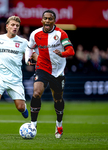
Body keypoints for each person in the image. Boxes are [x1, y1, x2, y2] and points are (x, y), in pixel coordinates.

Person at [25, 10, 75, 138]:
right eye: (45, 18)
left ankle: (59, 124)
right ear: (42, 20)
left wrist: (62, 54)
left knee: (57, 99)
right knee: (36, 93)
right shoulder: (35, 34)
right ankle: (33, 125)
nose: (47, 21)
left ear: (54, 21)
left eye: (50, 19)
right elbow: (30, 47)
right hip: (42, 67)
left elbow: (71, 50)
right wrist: (27, 59)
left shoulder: (60, 34)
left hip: (58, 71)